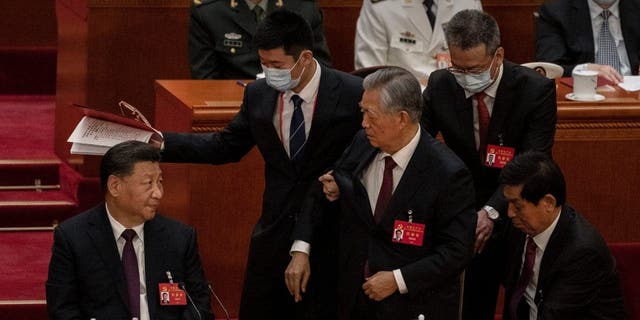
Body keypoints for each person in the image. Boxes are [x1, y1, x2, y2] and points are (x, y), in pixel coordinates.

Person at [162, 9, 363, 320]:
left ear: (306, 58)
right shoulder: (258, 94)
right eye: (263, 64)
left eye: (277, 65)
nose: (269, 73)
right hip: (272, 235)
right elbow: (224, 146)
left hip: (330, 237)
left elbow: (362, 157)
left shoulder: (352, 94)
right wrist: (161, 143)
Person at [286, 67, 477, 319]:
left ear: (402, 118)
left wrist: (398, 280)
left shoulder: (448, 173)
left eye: (371, 115)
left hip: (412, 304)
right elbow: (324, 187)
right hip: (353, 298)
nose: (364, 123)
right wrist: (301, 249)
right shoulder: (363, 143)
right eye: (362, 111)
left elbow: (456, 251)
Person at [421, 9, 557, 320]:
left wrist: (492, 211)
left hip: (517, 207)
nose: (466, 78)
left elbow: (534, 159)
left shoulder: (534, 90)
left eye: (476, 69)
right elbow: (420, 144)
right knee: (469, 303)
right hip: (464, 209)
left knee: (518, 303)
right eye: (458, 69)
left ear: (499, 56)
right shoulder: (441, 84)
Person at [46, 141, 213, 320]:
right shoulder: (73, 238)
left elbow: (200, 306)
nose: (158, 193)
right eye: (148, 183)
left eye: (160, 182)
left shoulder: (180, 238)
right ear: (115, 186)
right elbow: (62, 311)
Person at [499, 151, 626, 320]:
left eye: (517, 205)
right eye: (508, 203)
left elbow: (556, 315)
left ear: (548, 203)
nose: (510, 213)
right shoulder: (523, 224)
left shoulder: (583, 252)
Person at [189, 0, 332, 79]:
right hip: (235, 103)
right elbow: (205, 78)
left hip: (290, 97)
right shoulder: (208, 11)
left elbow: (320, 67)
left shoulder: (303, 7)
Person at [354, 0, 482, 85]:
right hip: (402, 105)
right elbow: (370, 76)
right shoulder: (380, 5)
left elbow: (479, 65)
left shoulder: (468, 2)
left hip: (457, 100)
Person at [535, 0, 640, 84]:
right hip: (582, 97)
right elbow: (548, 67)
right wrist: (584, 70)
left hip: (634, 95)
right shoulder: (556, 12)